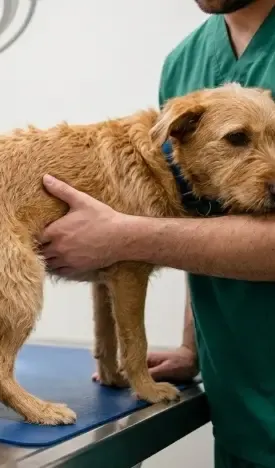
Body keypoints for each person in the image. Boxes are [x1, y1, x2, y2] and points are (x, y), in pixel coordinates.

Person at [38, 0, 275, 466]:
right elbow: (199, 220)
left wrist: (124, 236)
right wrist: (192, 347)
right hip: (236, 399)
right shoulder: (185, 61)